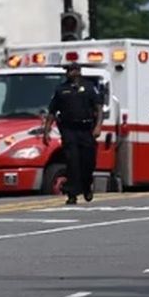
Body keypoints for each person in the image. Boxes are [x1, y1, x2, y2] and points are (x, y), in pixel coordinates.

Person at [42, 62, 104, 205]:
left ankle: (87, 185)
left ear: (78, 71)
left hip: (86, 129)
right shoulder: (61, 90)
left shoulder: (89, 87)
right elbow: (52, 111)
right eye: (68, 71)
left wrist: (98, 126)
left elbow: (98, 107)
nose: (69, 73)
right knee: (72, 162)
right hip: (69, 130)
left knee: (88, 162)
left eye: (72, 70)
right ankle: (72, 194)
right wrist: (47, 131)